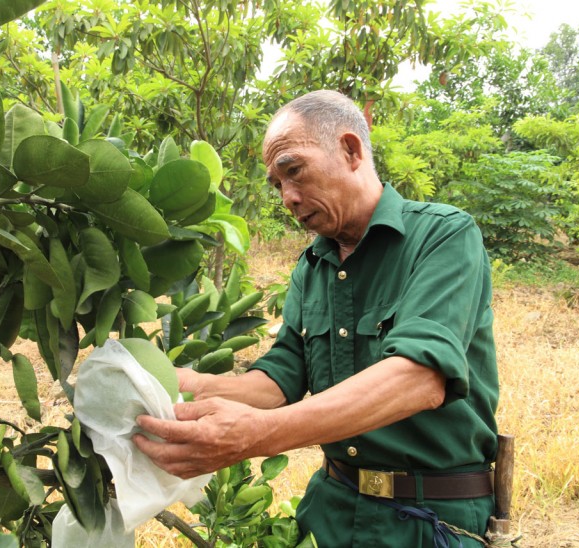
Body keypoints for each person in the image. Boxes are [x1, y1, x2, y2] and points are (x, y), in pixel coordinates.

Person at [133, 90, 499, 547]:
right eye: (276, 184)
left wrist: (258, 436)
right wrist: (181, 386)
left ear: (350, 150)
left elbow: (418, 379)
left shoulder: (443, 235)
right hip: (332, 507)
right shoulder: (314, 265)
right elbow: (284, 375)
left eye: (294, 171)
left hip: (431, 520)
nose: (287, 197)